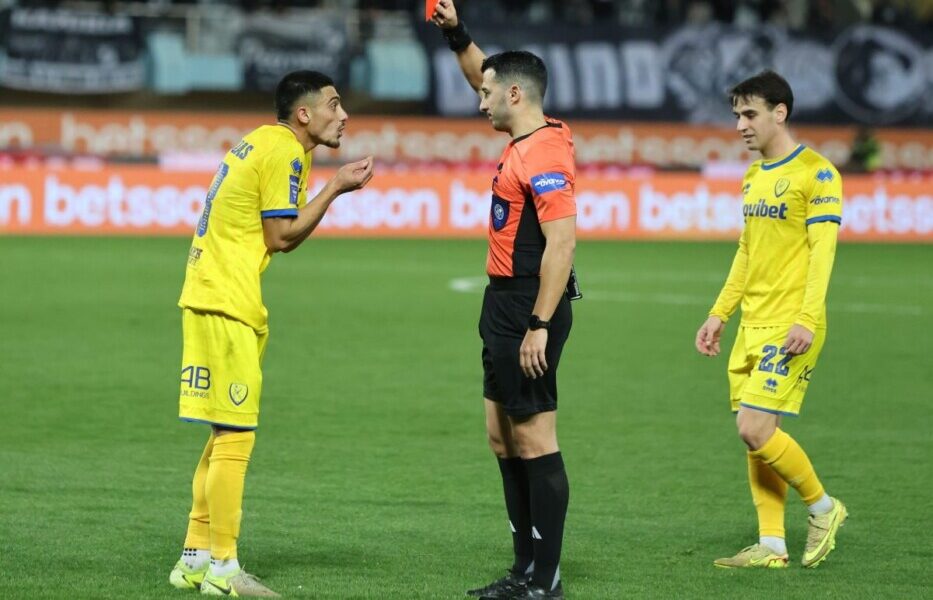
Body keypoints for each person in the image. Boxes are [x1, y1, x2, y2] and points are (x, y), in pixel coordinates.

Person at [168, 70, 374, 596]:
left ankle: (194, 558)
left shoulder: (262, 140)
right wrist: (336, 188)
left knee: (224, 432)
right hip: (225, 300)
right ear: (304, 114)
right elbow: (280, 236)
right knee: (235, 435)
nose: (343, 115)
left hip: (213, 293)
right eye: (333, 105)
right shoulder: (286, 151)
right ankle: (223, 570)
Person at [431, 2, 577, 598]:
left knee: (536, 437)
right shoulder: (527, 134)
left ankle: (546, 579)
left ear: (515, 95)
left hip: (526, 307)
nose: (479, 100)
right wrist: (456, 34)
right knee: (502, 435)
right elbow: (482, 73)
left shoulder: (544, 153)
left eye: (488, 94)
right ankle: (523, 569)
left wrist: (539, 323)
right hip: (501, 303)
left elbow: (562, 242)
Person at [695, 70, 847, 570]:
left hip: (790, 326)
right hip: (752, 323)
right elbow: (747, 250)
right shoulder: (754, 176)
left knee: (753, 428)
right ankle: (772, 545)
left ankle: (823, 508)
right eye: (736, 115)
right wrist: (720, 312)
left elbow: (822, 254)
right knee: (759, 437)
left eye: (750, 114)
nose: (740, 124)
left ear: (780, 112)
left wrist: (807, 317)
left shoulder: (817, 174)